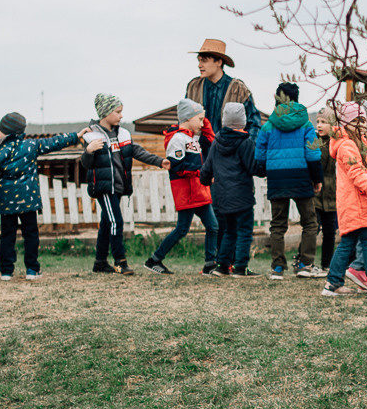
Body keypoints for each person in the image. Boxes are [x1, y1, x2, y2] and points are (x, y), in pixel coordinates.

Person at [0, 112, 79, 280]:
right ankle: (32, 269)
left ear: (6, 132)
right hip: (28, 200)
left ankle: (6, 271)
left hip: (7, 201)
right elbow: (54, 142)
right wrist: (75, 136)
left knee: (7, 235)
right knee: (31, 234)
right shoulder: (31, 145)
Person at [80, 93, 166, 274]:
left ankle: (100, 262)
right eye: (117, 112)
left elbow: (137, 151)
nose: (121, 115)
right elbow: (86, 164)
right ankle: (120, 261)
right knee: (115, 221)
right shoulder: (92, 136)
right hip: (104, 187)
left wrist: (159, 161)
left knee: (106, 223)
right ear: (105, 112)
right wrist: (88, 151)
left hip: (119, 186)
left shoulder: (123, 133)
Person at [255, 81, 324, 278]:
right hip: (301, 177)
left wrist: (263, 171)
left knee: (278, 225)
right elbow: (313, 154)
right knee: (310, 223)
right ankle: (305, 264)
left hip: (277, 178)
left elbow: (259, 156)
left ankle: (277, 267)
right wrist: (316, 178)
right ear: (297, 98)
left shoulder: (268, 126)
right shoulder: (306, 124)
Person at [323, 101, 367, 295]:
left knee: (349, 242)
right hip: (357, 202)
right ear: (345, 122)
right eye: (355, 120)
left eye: (362, 120)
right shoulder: (347, 146)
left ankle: (332, 283)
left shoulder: (357, 144)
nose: (360, 124)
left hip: (356, 201)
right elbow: (358, 174)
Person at [148, 99, 219, 274]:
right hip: (187, 192)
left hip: (198, 190)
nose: (203, 123)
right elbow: (177, 166)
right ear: (188, 118)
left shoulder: (192, 138)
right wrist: (201, 173)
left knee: (213, 226)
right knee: (182, 229)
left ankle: (210, 264)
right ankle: (154, 260)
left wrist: (203, 121)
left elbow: (211, 138)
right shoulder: (177, 139)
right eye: (200, 119)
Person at [200, 101, 258, 275]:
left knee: (229, 231)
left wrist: (205, 180)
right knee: (244, 231)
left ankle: (223, 265)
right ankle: (240, 266)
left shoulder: (216, 143)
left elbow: (206, 169)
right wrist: (264, 166)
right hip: (242, 195)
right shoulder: (245, 143)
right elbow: (253, 167)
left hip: (223, 195)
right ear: (243, 120)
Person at [186, 38, 262, 136]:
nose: (199, 65)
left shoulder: (238, 89)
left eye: (204, 61)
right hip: (198, 150)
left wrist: (246, 148)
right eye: (199, 61)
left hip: (229, 150)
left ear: (219, 62)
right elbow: (184, 119)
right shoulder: (193, 87)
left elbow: (254, 124)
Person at [313, 105, 341, 272]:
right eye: (318, 122)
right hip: (316, 192)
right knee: (313, 227)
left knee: (330, 231)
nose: (320, 125)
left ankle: (326, 263)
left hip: (332, 193)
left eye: (324, 122)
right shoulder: (315, 143)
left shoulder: (338, 143)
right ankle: (303, 260)